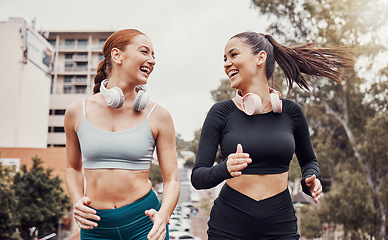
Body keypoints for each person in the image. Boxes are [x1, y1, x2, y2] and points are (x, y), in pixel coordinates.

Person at [191, 32, 353, 239]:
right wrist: (225, 168)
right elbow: (198, 177)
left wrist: (309, 180)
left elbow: (309, 161)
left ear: (260, 58)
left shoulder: (291, 112)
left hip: (280, 221)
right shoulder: (221, 113)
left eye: (233, 55)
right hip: (230, 222)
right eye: (225, 59)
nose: (226, 64)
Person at [65, 29, 179, 240]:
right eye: (145, 52)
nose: (151, 60)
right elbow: (72, 167)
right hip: (95, 226)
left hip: (145, 223)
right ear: (117, 55)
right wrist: (77, 200)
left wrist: (163, 216)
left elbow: (172, 179)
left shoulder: (159, 115)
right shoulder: (76, 111)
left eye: (154, 56)